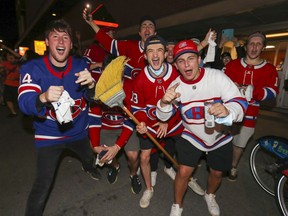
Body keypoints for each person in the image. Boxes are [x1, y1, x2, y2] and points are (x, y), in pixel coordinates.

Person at [18, 19, 101, 216]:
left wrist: (92, 87)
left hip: (78, 131)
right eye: (55, 36)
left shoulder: (81, 64)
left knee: (89, 157)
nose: (61, 41)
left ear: (71, 44)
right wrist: (43, 96)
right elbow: (24, 101)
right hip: (49, 135)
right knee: (43, 184)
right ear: (47, 42)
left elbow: (95, 98)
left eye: (65, 37)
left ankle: (89, 167)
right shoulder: (33, 68)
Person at [156, 39, 248, 216]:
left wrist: (228, 110)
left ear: (199, 59)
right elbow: (163, 117)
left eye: (190, 58)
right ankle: (177, 205)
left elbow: (241, 103)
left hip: (220, 136)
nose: (186, 64)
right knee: (183, 172)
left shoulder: (217, 76)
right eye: (181, 61)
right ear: (176, 65)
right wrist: (163, 102)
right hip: (192, 135)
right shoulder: (176, 85)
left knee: (217, 172)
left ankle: (210, 195)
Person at [131, 35, 183, 208]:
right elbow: (137, 108)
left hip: (173, 122)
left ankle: (185, 175)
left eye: (159, 50)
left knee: (186, 149)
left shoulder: (175, 73)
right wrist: (142, 122)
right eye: (150, 51)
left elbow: (182, 101)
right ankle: (149, 188)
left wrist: (166, 119)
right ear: (145, 56)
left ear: (165, 53)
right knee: (144, 157)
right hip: (150, 124)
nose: (155, 55)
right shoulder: (139, 79)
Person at [225, 31, 279, 181]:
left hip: (250, 113)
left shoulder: (269, 69)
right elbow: (219, 84)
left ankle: (233, 167)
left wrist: (254, 91)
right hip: (228, 111)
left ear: (263, 48)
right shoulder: (233, 65)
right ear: (246, 46)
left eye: (258, 44)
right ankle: (220, 163)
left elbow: (273, 92)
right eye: (251, 44)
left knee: (240, 144)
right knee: (222, 139)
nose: (254, 47)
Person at [88, 54, 142, 194]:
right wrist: (95, 146)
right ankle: (115, 166)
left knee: (133, 156)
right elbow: (94, 119)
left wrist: (117, 146)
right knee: (103, 154)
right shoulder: (99, 88)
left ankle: (133, 174)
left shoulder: (130, 86)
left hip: (127, 127)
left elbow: (131, 120)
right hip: (107, 128)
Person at [1, 51, 20, 117]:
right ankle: (13, 112)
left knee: (18, 99)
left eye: (11, 58)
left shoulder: (19, 64)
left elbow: (18, 56)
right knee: (7, 99)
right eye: (9, 58)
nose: (10, 59)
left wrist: (6, 49)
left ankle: (26, 111)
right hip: (7, 84)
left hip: (17, 85)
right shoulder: (5, 63)